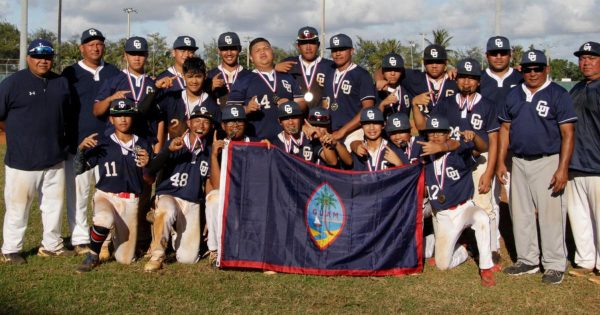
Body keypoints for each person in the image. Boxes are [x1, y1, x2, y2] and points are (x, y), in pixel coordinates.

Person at [498, 50, 578, 284]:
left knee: (551, 215)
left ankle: (554, 263)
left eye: (538, 68)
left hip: (548, 160)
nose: (533, 73)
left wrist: (562, 168)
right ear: (521, 70)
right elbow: (505, 129)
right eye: (528, 69)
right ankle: (527, 259)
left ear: (547, 69)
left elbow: (568, 133)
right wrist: (502, 161)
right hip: (519, 161)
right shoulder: (514, 94)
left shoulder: (558, 94)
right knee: (520, 213)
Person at [416, 58, 501, 260]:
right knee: (455, 200)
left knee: (483, 203)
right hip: (452, 157)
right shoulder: (446, 103)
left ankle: (491, 249)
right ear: (457, 79)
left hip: (478, 156)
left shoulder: (488, 105)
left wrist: (489, 172)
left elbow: (494, 140)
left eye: (472, 78)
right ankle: (461, 240)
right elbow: (426, 127)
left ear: (478, 81)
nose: (467, 82)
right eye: (463, 77)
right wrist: (415, 106)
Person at [0, 39, 74, 264]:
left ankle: (51, 244)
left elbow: (68, 115)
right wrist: (15, 135)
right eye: (38, 56)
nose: (43, 61)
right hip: (22, 160)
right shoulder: (13, 83)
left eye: (48, 57)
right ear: (28, 58)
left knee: (53, 206)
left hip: (54, 157)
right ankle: (11, 249)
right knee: (18, 207)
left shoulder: (61, 82)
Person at [61, 28, 121, 255]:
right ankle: (79, 238)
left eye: (99, 44)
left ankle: (104, 238)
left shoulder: (113, 72)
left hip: (107, 145)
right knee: (79, 193)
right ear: (82, 48)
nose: (96, 48)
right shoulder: (70, 73)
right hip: (80, 143)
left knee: (106, 193)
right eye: (90, 44)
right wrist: (73, 141)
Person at [75, 99, 152, 272]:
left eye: (126, 115)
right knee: (104, 218)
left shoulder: (143, 143)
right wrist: (81, 150)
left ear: (133, 118)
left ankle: (104, 236)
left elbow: (150, 179)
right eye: (118, 116)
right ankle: (93, 254)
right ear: (111, 119)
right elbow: (77, 169)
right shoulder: (103, 142)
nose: (123, 119)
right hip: (106, 195)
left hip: (130, 200)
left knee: (125, 259)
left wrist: (149, 164)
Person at [420, 114, 497, 287]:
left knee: (482, 218)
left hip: (464, 208)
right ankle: (464, 247)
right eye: (431, 133)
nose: (434, 137)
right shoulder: (425, 157)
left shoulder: (457, 154)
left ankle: (486, 267)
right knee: (442, 265)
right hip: (444, 215)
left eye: (439, 133)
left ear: (448, 134)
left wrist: (475, 136)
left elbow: (482, 148)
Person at [144, 104, 214, 271]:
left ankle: (172, 231)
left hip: (191, 202)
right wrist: (167, 151)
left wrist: (208, 216)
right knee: (166, 210)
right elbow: (151, 169)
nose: (201, 126)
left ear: (211, 126)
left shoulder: (209, 151)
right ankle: (157, 255)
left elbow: (208, 183)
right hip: (170, 195)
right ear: (189, 123)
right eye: (197, 121)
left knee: (187, 259)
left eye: (205, 122)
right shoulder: (175, 142)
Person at [566, 41, 600, 284]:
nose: (585, 62)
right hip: (575, 164)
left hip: (598, 165)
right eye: (582, 58)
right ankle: (586, 261)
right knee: (579, 216)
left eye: (592, 58)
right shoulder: (576, 88)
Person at [227, 37, 305, 140]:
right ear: (251, 57)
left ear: (272, 52)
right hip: (258, 142)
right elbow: (229, 112)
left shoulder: (288, 77)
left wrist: (292, 105)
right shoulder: (242, 80)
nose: (263, 52)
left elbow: (302, 103)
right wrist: (247, 109)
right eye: (257, 50)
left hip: (287, 141)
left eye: (266, 48)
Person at [321, 34, 376, 147]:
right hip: (331, 132)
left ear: (352, 51)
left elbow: (368, 108)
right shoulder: (329, 73)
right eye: (334, 50)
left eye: (342, 49)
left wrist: (343, 131)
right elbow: (325, 104)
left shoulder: (362, 75)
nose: (337, 53)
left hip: (354, 132)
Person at [157, 57, 220, 138]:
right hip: (173, 149)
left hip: (200, 150)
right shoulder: (172, 98)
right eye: (190, 76)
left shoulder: (213, 106)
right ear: (183, 76)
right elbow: (146, 112)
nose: (194, 81)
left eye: (198, 76)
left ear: (205, 76)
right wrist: (156, 88)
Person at [275, 26, 335, 108]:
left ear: (318, 44)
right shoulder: (288, 64)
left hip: (320, 117)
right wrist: (273, 68)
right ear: (298, 46)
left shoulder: (330, 66)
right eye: (304, 43)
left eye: (312, 42)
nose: (308, 47)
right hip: (294, 117)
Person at [272, 101, 338, 166]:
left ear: (301, 118)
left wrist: (321, 138)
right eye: (286, 118)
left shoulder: (309, 138)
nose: (291, 122)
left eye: (294, 117)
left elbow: (332, 162)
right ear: (280, 122)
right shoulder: (274, 143)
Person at [407, 44, 458, 117]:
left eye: (438, 62)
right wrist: (385, 84)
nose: (434, 66)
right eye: (430, 62)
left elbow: (477, 76)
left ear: (445, 63)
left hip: (449, 127)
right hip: (424, 126)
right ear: (424, 63)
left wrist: (458, 70)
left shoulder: (456, 80)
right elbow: (389, 70)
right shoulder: (414, 78)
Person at [207, 32, 252, 106]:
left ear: (239, 49)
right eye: (224, 49)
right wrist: (210, 88)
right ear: (218, 51)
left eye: (233, 48)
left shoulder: (249, 75)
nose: (229, 53)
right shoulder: (209, 75)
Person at [376, 52, 413, 119]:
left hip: (404, 128)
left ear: (401, 72)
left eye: (396, 70)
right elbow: (372, 120)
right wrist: (382, 105)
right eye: (389, 70)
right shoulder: (376, 91)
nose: (393, 73)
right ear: (383, 72)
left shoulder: (407, 89)